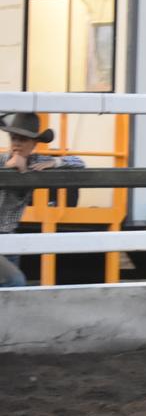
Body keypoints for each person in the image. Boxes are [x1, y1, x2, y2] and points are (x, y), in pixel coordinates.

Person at [0, 113, 85, 287]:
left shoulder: (35, 162)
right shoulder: (2, 161)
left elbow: (79, 162)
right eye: (14, 138)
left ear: (34, 144)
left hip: (10, 238)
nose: (17, 143)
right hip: (6, 237)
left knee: (12, 291)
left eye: (23, 139)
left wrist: (55, 162)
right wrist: (6, 172)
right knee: (15, 282)